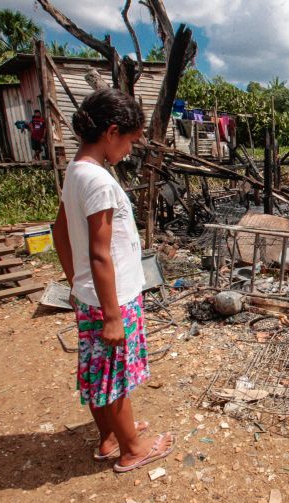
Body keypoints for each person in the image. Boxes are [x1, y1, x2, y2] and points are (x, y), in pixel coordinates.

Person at [52, 88, 175, 473]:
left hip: (92, 294)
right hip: (113, 298)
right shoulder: (100, 182)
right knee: (117, 376)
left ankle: (109, 438)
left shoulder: (76, 172)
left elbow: (58, 232)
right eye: (130, 141)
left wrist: (76, 284)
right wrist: (111, 315)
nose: (130, 150)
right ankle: (134, 448)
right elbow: (101, 253)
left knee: (97, 372)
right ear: (111, 132)